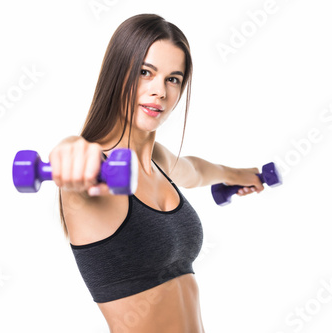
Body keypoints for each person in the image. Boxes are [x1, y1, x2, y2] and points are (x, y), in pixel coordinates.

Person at [49, 13, 264, 333]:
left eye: (173, 79)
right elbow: (71, 158)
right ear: (117, 74)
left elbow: (197, 170)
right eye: (144, 73)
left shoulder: (160, 160)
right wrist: (69, 150)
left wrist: (239, 175)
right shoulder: (95, 172)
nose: (159, 91)